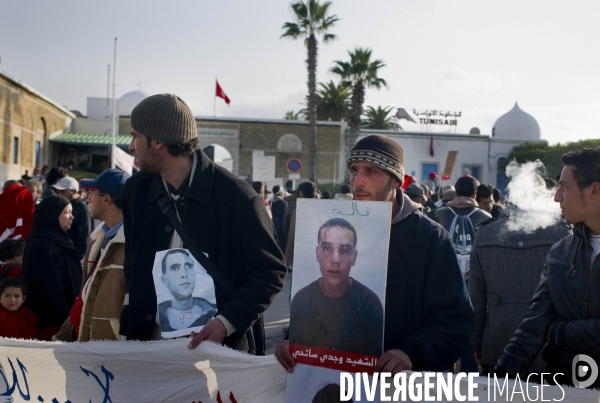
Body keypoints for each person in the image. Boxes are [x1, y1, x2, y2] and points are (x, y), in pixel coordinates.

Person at [276, 134, 474, 374]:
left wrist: (410, 353)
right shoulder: (333, 225)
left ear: (395, 181)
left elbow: (455, 319)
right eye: (354, 171)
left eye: (371, 172)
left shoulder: (430, 238)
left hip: (403, 389)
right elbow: (315, 312)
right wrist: (293, 342)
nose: (358, 181)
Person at [121, 93, 286, 354]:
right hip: (147, 352)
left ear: (158, 141)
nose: (131, 146)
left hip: (216, 357)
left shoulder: (239, 199)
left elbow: (271, 273)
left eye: (135, 136)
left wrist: (225, 323)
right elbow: (132, 265)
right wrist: (129, 324)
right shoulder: (136, 191)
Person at [494, 148, 600, 387]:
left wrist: (560, 332)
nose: (556, 197)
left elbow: (547, 329)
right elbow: (534, 323)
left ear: (594, 190)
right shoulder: (562, 251)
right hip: (566, 387)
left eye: (564, 186)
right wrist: (499, 380)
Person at [469, 176, 571, 375]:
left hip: (497, 343)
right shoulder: (563, 233)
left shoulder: (485, 234)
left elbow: (476, 301)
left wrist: (477, 343)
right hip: (548, 346)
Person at [53, 168, 130, 342]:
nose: (88, 198)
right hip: (88, 344)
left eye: (92, 193)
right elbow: (85, 297)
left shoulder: (133, 244)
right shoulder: (98, 238)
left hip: (111, 354)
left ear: (106, 199)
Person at [289, 218, 384, 356]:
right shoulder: (302, 300)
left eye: (345, 250)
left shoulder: (370, 304)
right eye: (327, 248)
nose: (335, 260)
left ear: (354, 257)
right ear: (317, 254)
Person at [22, 195, 81, 340]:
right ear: (53, 214)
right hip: (53, 325)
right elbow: (49, 291)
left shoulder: (56, 237)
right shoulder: (45, 244)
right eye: (66, 212)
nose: (71, 217)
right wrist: (70, 317)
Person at [158, 249, 217, 332]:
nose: (184, 274)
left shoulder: (213, 312)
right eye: (175, 268)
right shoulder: (158, 316)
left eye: (189, 266)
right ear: (165, 280)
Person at [53, 176, 94, 260]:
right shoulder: (60, 206)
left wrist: (76, 261)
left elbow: (85, 239)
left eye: (63, 191)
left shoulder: (83, 210)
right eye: (58, 191)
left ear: (74, 191)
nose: (59, 194)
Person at [284, 181, 316, 269]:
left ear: (301, 193)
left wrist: (287, 258)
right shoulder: (320, 208)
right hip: (317, 256)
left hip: (300, 254)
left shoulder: (299, 209)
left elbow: (292, 235)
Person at [270, 185, 288, 253]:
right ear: (280, 193)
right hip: (281, 233)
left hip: (273, 231)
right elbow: (285, 220)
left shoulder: (271, 202)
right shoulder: (283, 204)